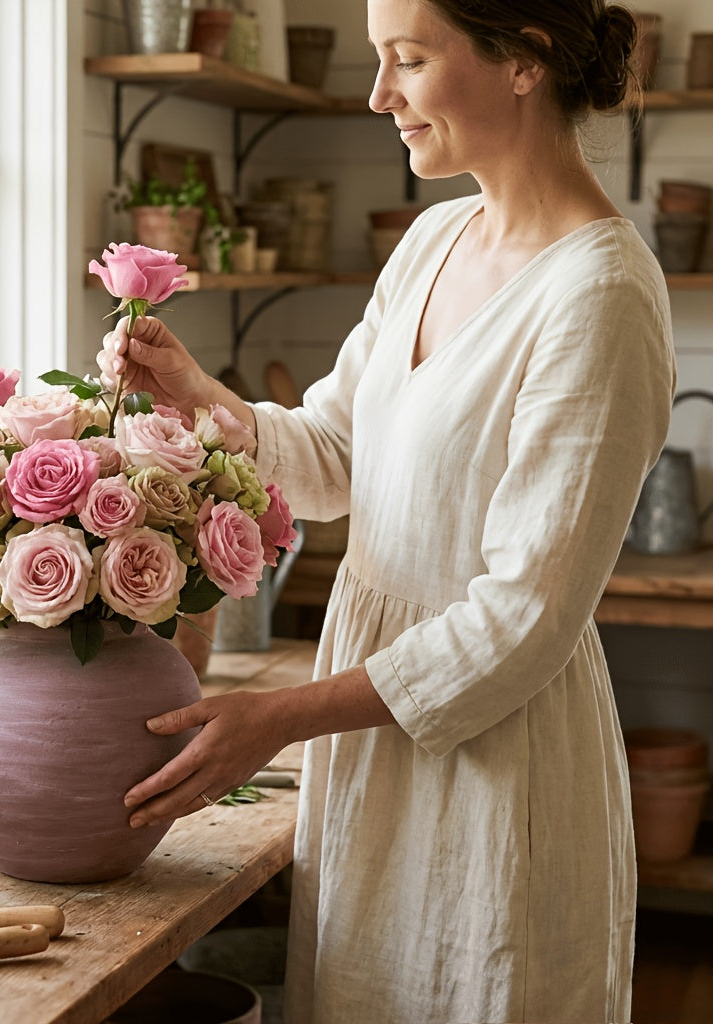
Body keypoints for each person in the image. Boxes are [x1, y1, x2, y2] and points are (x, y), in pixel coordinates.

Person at [100, 1, 676, 1020]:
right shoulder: (432, 238)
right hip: (374, 747)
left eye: (407, 60)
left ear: (522, 63)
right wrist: (199, 394)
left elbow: (523, 621)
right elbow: (334, 457)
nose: (378, 96)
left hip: (495, 764)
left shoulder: (600, 295)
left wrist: (276, 720)